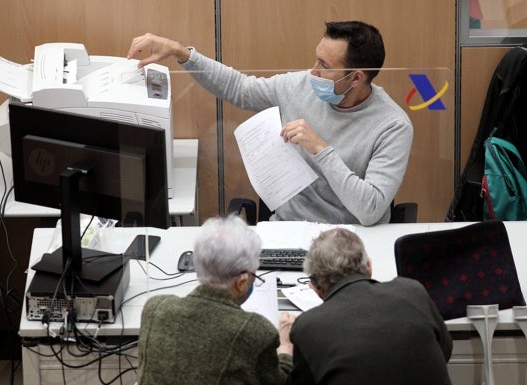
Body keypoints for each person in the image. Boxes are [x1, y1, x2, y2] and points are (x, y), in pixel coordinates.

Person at [127, 21, 413, 226]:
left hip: (352, 239)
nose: (312, 71)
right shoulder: (302, 85)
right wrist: (182, 53)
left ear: (357, 78)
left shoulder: (392, 126)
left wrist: (321, 149)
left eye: (325, 66)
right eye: (316, 59)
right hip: (289, 230)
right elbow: (239, 88)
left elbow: (370, 210)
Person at [136, 214, 295, 385]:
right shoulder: (256, 331)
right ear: (241, 282)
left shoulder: (155, 308)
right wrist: (285, 348)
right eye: (254, 275)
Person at [288, 228, 452, 385]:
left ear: (316, 287)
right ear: (369, 266)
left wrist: (284, 350)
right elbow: (445, 350)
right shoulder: (413, 292)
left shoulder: (307, 327)